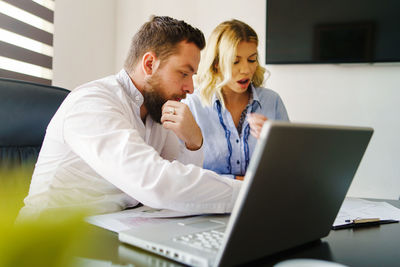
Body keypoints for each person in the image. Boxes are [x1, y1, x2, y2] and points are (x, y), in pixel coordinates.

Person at [18, 16, 242, 219]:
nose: (190, 88)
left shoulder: (156, 111)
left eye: (192, 76)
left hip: (115, 228)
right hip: (52, 241)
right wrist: (249, 194)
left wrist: (194, 143)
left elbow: (181, 191)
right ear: (149, 64)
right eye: (184, 73)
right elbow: (156, 184)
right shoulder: (93, 102)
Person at [183, 19, 289, 180]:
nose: (246, 70)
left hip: (263, 200)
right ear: (216, 63)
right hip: (211, 203)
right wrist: (237, 181)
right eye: (235, 61)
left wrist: (274, 146)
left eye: (252, 60)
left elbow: (289, 167)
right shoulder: (192, 105)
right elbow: (182, 172)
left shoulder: (272, 101)